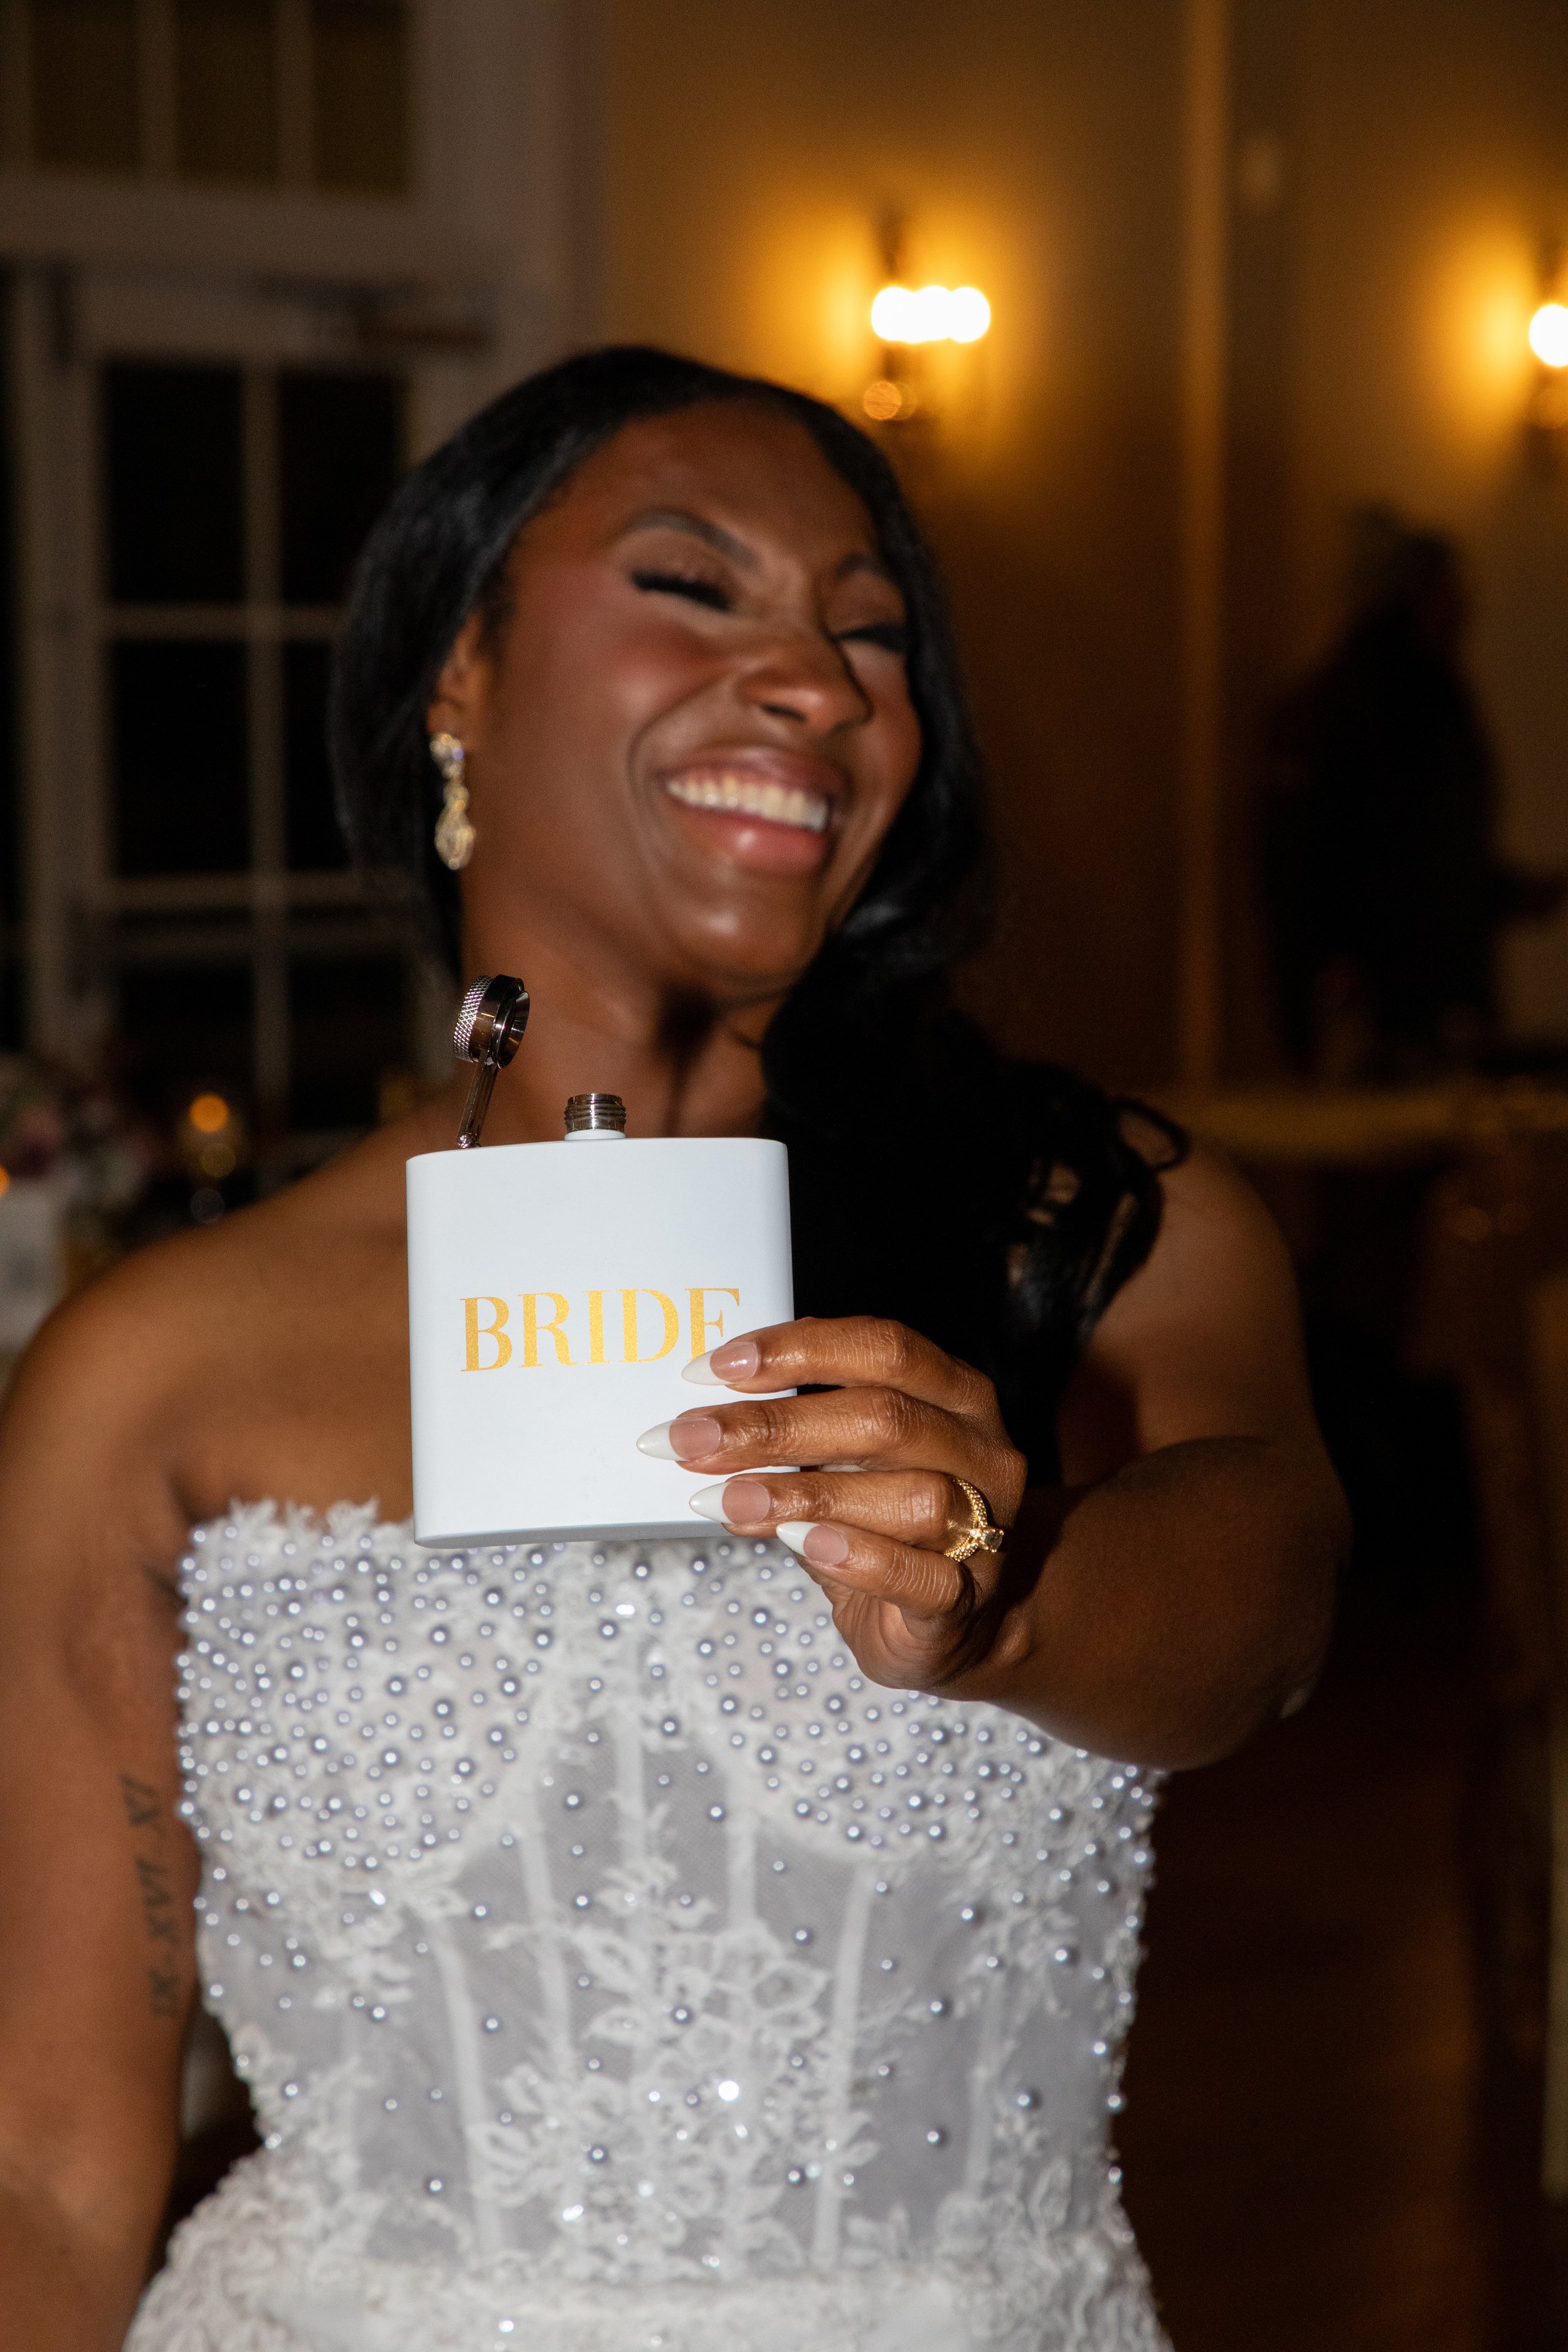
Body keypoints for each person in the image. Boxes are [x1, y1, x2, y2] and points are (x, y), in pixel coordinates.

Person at [0, 348, 1346, 2351]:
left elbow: (1272, 1601)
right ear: (453, 670)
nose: (811, 678)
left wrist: (1005, 1607)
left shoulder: (1079, 1222)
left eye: (866, 632)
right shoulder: (155, 1367)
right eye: (695, 589)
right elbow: (46, 2156)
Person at [1261, 508, 1567, 1078]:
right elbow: (1353, 864)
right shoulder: (1369, 710)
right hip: (1381, 1013)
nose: (1463, 609)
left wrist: (1500, 894)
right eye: (1449, 591)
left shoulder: (1424, 701)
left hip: (1421, 1004)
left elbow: (1430, 855)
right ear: (1416, 597)